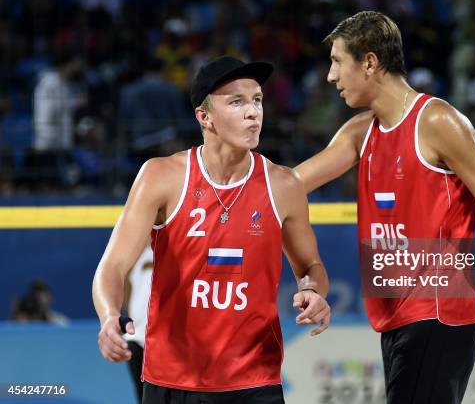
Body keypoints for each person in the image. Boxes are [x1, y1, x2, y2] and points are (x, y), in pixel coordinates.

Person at [294, 11, 475, 404]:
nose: (331, 76)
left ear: (369, 62)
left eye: (336, 61)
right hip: (396, 322)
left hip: (438, 315)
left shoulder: (437, 121)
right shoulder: (360, 132)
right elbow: (287, 185)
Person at [93, 56, 331, 404]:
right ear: (204, 117)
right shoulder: (162, 176)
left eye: (257, 100)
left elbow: (310, 267)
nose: (253, 112)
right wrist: (109, 317)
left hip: (255, 379)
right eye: (237, 102)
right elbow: (112, 266)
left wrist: (314, 291)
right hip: (174, 379)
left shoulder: (283, 184)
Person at [123, 244, 154, 403]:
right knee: (141, 394)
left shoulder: (174, 252)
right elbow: (126, 286)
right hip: (136, 337)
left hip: (161, 338)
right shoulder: (134, 256)